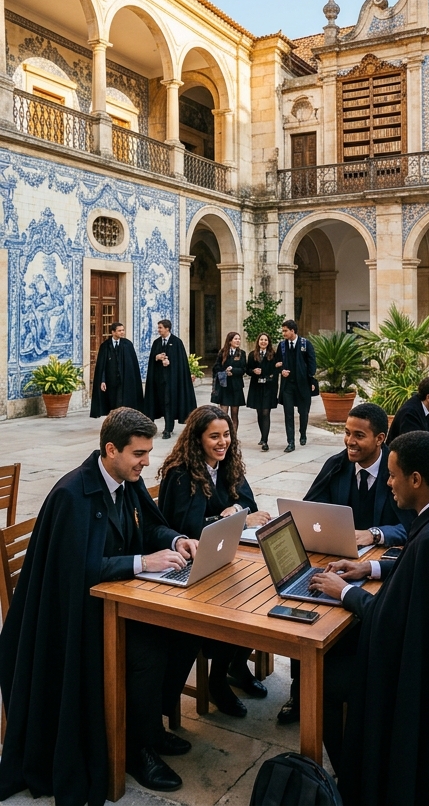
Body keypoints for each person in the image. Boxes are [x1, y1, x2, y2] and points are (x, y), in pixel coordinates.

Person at [0, 408, 201, 800]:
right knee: (149, 652)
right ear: (111, 449)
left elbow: (151, 524)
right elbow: (79, 569)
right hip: (74, 619)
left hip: (119, 602)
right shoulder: (72, 495)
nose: (147, 462)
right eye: (139, 453)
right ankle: (134, 749)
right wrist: (144, 562)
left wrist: (176, 540)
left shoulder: (127, 480)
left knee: (184, 634)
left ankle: (148, 729)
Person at [307, 431, 429, 805]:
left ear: (416, 480)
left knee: (320, 676)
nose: (388, 482)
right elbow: (418, 573)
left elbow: (391, 623)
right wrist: (370, 569)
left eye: (393, 474)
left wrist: (343, 591)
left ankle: (352, 780)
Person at [276, 401, 414, 725]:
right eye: (347, 433)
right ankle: (302, 692)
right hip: (335, 560)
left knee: (353, 623)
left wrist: (375, 533)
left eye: (359, 435)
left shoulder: (397, 470)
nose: (350, 441)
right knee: (305, 607)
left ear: (380, 439)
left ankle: (342, 690)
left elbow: (411, 525)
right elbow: (305, 508)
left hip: (380, 568)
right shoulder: (337, 464)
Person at [157, 404, 272, 720]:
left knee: (262, 594)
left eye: (227, 435)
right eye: (214, 437)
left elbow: (250, 505)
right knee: (233, 605)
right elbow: (190, 526)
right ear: (197, 439)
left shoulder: (228, 464)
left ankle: (235, 665)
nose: (223, 443)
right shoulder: (181, 473)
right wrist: (232, 515)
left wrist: (233, 514)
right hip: (188, 562)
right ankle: (218, 679)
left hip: (224, 554)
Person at [143, 319, 197, 439]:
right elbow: (152, 359)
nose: (158, 330)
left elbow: (181, 362)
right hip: (159, 381)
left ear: (167, 328)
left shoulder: (176, 342)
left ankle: (168, 429)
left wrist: (169, 362)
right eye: (158, 328)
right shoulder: (156, 343)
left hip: (172, 381)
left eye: (160, 328)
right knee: (159, 403)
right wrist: (157, 357)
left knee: (169, 403)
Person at [276, 319, 317, 451]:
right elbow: (277, 364)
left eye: (285, 331)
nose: (283, 333)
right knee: (288, 413)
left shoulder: (306, 344)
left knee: (303, 412)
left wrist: (311, 381)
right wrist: (281, 371)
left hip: (303, 385)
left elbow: (312, 365)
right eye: (283, 331)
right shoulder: (281, 346)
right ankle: (291, 442)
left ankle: (303, 434)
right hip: (287, 386)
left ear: (292, 331)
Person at [90, 321, 144, 417]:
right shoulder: (105, 346)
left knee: (123, 404)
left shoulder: (127, 345)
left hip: (125, 382)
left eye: (123, 330)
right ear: (113, 332)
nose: (122, 332)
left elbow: (132, 366)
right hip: (111, 382)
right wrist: (102, 381)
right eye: (119, 331)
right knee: (112, 404)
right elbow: (102, 366)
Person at [246, 331, 278, 451]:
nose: (263, 342)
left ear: (268, 342)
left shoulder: (273, 354)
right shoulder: (252, 355)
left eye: (265, 340)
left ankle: (265, 440)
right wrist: (253, 371)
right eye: (261, 340)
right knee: (259, 412)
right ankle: (262, 436)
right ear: (258, 342)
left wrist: (270, 378)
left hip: (269, 387)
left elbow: (276, 370)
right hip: (256, 386)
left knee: (266, 412)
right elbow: (247, 369)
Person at [211, 330, 246, 431]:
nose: (238, 341)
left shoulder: (241, 353)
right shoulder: (222, 352)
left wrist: (233, 371)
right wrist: (224, 371)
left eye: (239, 339)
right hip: (224, 386)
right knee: (223, 414)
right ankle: (224, 434)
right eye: (236, 339)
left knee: (235, 414)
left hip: (236, 387)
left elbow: (243, 369)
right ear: (230, 341)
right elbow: (216, 367)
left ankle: (234, 436)